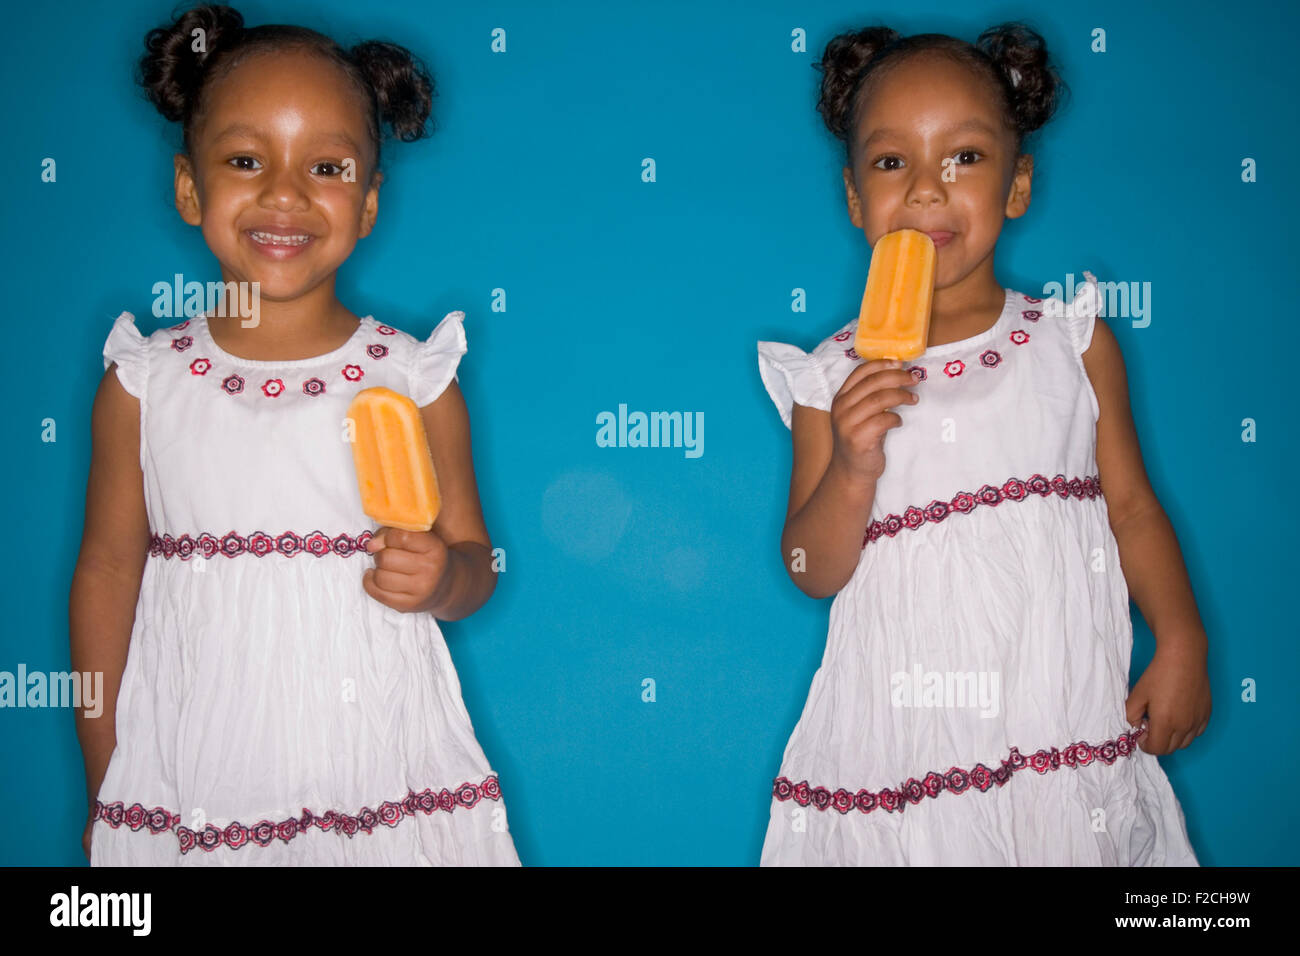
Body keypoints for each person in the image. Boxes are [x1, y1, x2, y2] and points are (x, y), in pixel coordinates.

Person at [69, 3, 520, 865]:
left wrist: (441, 578)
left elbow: (474, 565)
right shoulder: (145, 384)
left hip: (376, 773)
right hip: (193, 775)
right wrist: (108, 778)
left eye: (326, 165)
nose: (285, 193)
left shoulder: (414, 380)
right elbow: (107, 573)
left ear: (369, 202)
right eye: (246, 160)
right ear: (190, 187)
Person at [755, 22, 1208, 865]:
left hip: (1055, 721)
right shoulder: (830, 377)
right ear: (855, 199)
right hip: (903, 744)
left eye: (964, 158)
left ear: (1018, 184)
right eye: (892, 163)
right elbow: (811, 571)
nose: (928, 191)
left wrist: (1181, 637)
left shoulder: (1071, 345)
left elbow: (1135, 510)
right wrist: (854, 466)